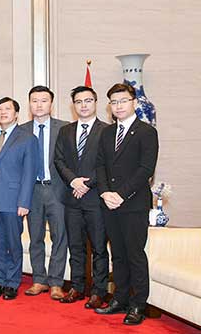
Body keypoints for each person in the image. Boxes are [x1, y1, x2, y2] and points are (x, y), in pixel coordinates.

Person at [94, 83, 158, 325]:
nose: (118, 106)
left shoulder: (146, 132)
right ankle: (119, 299)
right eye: (114, 102)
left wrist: (120, 194)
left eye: (123, 101)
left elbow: (146, 169)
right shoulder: (107, 133)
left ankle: (138, 304)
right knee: (118, 254)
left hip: (133, 203)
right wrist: (105, 193)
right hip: (109, 203)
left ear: (134, 103)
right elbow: (100, 165)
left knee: (134, 254)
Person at [54, 85, 109, 309]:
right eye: (78, 102)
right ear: (73, 105)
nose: (83, 105)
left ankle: (98, 291)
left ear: (95, 103)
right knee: (75, 247)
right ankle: (77, 287)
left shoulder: (107, 131)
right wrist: (73, 181)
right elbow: (59, 160)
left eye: (88, 101)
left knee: (99, 248)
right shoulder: (66, 131)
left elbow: (107, 164)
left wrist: (86, 183)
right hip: (72, 199)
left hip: (95, 199)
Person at [0, 97, 37, 301]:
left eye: (8, 109)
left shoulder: (27, 138)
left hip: (13, 198)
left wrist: (24, 202)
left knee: (13, 242)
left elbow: (29, 173)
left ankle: (12, 283)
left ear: (16, 114)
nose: (3, 112)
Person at [20, 86, 69, 300]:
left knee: (60, 236)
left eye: (43, 100)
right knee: (35, 236)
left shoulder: (65, 128)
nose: (39, 105)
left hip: (57, 189)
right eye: (34, 101)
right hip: (32, 191)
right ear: (29, 104)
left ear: (51, 104)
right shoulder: (21, 131)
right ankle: (39, 279)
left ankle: (56, 282)